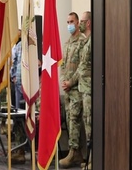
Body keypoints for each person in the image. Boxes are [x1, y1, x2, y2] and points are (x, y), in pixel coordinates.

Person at [59, 12, 85, 168]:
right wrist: (63, 81)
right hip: (67, 89)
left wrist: (71, 82)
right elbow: (63, 64)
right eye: (67, 21)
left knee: (75, 120)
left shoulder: (82, 41)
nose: (69, 24)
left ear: (77, 23)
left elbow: (83, 66)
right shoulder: (68, 42)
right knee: (70, 121)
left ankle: (75, 152)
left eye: (72, 21)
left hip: (77, 89)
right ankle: (75, 153)